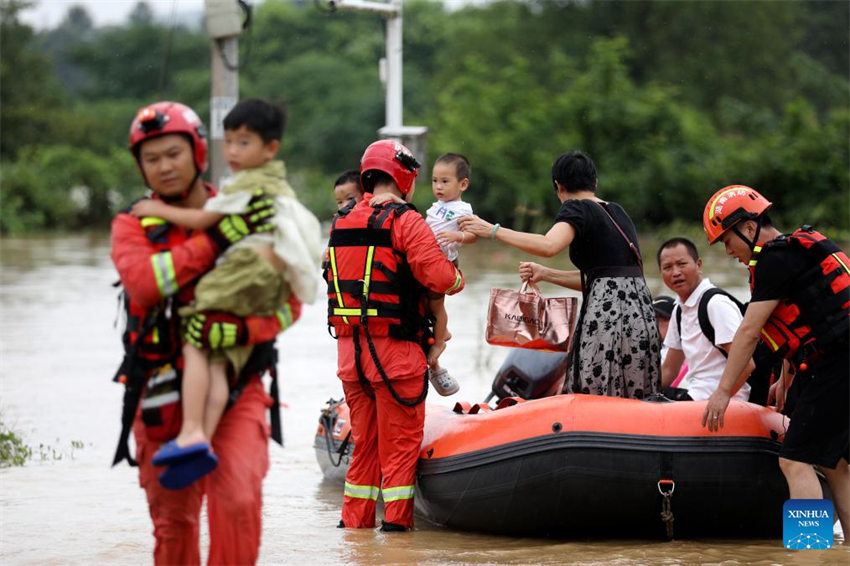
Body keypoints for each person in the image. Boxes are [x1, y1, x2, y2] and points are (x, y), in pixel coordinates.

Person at [111, 100, 301, 565]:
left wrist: (241, 326)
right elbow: (145, 284)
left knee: (237, 500)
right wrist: (216, 239)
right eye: (151, 159)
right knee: (174, 523)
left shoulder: (249, 209)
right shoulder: (132, 225)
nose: (164, 167)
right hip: (158, 392)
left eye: (173, 154)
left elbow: (291, 301)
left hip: (239, 384)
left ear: (196, 153)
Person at [129, 98, 320, 487]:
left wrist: (155, 209)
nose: (232, 151)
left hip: (242, 278)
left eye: (243, 143)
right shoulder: (273, 186)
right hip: (263, 286)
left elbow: (202, 220)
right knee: (217, 359)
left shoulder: (241, 189)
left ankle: (194, 430)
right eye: (229, 141)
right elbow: (143, 283)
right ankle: (201, 437)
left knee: (196, 338)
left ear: (270, 149)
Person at [326, 139, 464, 532]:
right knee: (400, 447)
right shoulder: (406, 221)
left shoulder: (342, 219)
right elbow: (440, 278)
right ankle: (398, 533)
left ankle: (355, 531)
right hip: (396, 354)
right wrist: (457, 277)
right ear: (404, 176)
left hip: (351, 354)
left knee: (364, 446)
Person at [700, 184, 849, 536]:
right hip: (834, 361)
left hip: (837, 364)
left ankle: (808, 552)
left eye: (726, 240)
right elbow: (806, 318)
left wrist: (723, 392)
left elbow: (749, 331)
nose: (728, 251)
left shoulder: (773, 259)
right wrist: (786, 376)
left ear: (749, 228)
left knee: (794, 459)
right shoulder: (793, 250)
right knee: (837, 465)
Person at [459, 151, 660, 399]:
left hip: (608, 318)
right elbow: (603, 280)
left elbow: (548, 245)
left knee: (595, 395)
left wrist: (492, 230)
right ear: (594, 182)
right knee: (635, 395)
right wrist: (546, 274)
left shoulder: (576, 208)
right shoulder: (617, 212)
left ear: (558, 186)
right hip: (640, 314)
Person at [657, 237, 752, 402]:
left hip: (726, 401)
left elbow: (747, 364)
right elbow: (669, 369)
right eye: (667, 267)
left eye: (682, 264)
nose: (676, 273)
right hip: (696, 395)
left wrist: (720, 398)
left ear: (698, 265)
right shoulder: (679, 310)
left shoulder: (716, 304)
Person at [422, 153, 478, 396]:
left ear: (462, 184)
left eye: (445, 181)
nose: (438, 187)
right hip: (428, 260)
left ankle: (441, 340)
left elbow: (474, 235)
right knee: (425, 303)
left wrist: (458, 236)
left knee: (436, 304)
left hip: (444, 263)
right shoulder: (436, 207)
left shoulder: (462, 209)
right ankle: (440, 331)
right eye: (435, 181)